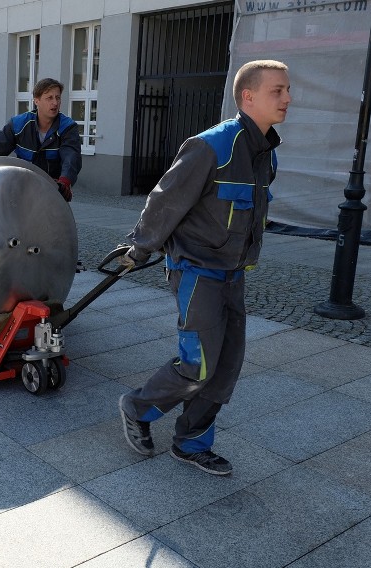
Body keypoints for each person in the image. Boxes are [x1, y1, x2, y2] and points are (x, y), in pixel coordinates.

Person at [117, 60, 291, 476]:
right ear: (248, 96)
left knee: (226, 365)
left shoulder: (264, 154)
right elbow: (166, 201)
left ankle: (192, 442)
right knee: (199, 363)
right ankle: (138, 407)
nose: (287, 99)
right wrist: (138, 248)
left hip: (232, 275)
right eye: (278, 91)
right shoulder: (211, 146)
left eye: (287, 90)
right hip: (197, 272)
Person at [0, 78, 81, 202]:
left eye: (58, 97)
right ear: (36, 101)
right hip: (23, 190)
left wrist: (65, 181)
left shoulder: (68, 127)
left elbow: (71, 156)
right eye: (49, 98)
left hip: (53, 192)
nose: (55, 103)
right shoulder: (19, 123)